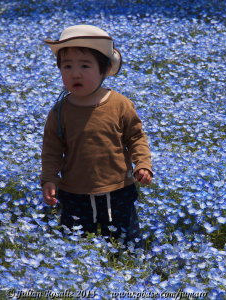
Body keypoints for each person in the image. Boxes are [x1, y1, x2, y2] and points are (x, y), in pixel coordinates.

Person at [41, 25, 153, 249]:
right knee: (77, 245)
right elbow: (52, 149)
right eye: (67, 66)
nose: (75, 73)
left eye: (85, 65)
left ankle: (129, 274)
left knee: (126, 242)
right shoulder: (60, 110)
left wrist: (143, 163)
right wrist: (49, 178)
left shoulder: (119, 103)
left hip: (118, 188)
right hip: (74, 191)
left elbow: (136, 137)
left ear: (103, 71)